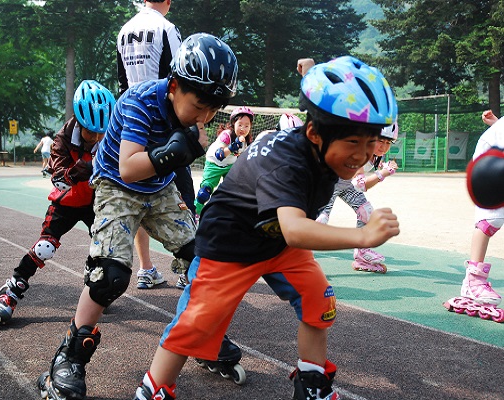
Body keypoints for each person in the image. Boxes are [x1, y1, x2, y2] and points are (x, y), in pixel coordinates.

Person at [133, 55, 399, 400]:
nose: (361, 155)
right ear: (314, 134)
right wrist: (363, 235)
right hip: (231, 246)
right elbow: (295, 230)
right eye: (352, 142)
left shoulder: (322, 141)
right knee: (195, 325)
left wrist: (309, 73)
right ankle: (153, 390)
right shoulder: (287, 163)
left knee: (319, 300)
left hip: (277, 243)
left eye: (370, 142)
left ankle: (312, 385)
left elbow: (290, 231)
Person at [37, 33, 239, 400]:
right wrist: (175, 152)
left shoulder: (195, 110)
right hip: (117, 186)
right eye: (200, 106)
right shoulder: (140, 101)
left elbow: (180, 154)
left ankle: (202, 334)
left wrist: (181, 154)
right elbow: (129, 168)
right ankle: (68, 358)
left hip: (159, 189)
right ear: (174, 86)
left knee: (202, 258)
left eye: (214, 110)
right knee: (110, 275)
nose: (205, 118)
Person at [0, 80, 115, 329]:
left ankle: (92, 273)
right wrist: (84, 167)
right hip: (66, 203)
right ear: (79, 121)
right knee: (45, 247)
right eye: (90, 132)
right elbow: (59, 180)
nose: (96, 138)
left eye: (100, 132)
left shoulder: (110, 135)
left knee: (107, 246)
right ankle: (11, 290)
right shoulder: (62, 139)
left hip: (95, 201)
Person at [117, 0, 190, 290]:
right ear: (168, 2)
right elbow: (179, 78)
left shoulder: (124, 30)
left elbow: (122, 83)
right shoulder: (166, 28)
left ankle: (146, 269)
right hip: (162, 122)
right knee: (183, 191)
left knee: (137, 193)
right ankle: (187, 270)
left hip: (133, 123)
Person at [444, 109, 504, 323]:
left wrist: (496, 123)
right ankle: (473, 281)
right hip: (491, 160)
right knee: (491, 218)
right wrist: (497, 126)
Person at [316, 122, 399, 273]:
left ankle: (361, 253)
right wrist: (383, 173)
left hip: (346, 185)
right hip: (328, 183)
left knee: (367, 212)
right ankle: (297, 257)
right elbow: (360, 185)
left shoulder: (375, 153)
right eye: (380, 141)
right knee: (320, 222)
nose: (384, 147)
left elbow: (359, 178)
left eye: (388, 142)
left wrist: (383, 166)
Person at [193, 106, 254, 218]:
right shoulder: (227, 135)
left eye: (247, 126)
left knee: (234, 192)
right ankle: (195, 214)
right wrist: (232, 147)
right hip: (214, 164)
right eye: (240, 125)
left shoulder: (246, 140)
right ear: (233, 123)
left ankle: (226, 215)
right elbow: (220, 155)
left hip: (230, 165)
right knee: (204, 193)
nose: (243, 128)